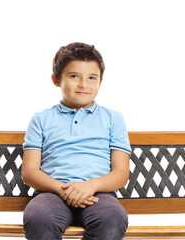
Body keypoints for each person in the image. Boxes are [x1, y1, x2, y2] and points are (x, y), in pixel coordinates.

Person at [21, 42, 131, 240]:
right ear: (56, 79)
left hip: (98, 193)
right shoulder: (41, 119)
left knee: (111, 219)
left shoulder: (113, 119)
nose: (83, 84)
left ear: (100, 81)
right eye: (74, 76)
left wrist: (89, 186)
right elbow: (29, 172)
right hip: (52, 192)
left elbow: (121, 173)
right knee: (39, 218)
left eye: (92, 78)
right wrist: (62, 190)